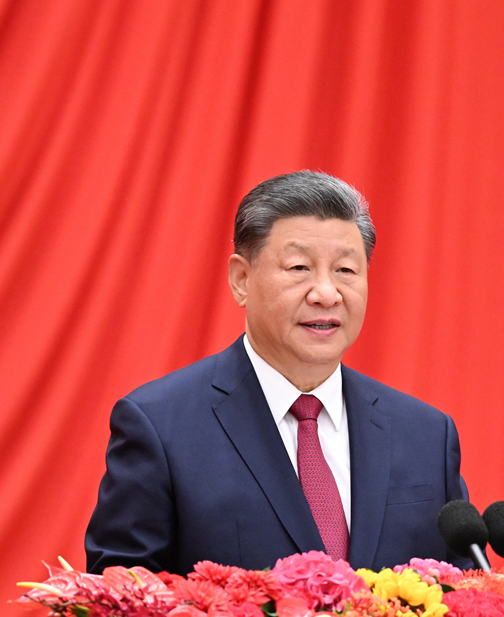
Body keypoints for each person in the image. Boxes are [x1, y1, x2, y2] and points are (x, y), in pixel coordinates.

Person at [85, 170, 472, 576]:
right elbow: (120, 599)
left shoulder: (426, 435)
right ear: (242, 280)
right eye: (299, 267)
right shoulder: (161, 426)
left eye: (345, 270)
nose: (326, 293)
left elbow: (464, 590)